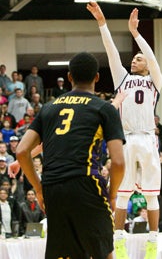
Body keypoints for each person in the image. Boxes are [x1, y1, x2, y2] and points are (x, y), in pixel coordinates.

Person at [16, 52, 125, 259]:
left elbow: (22, 151)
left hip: (53, 188)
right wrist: (111, 194)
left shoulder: (48, 109)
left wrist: (39, 189)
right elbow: (118, 162)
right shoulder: (103, 108)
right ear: (97, 77)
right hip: (86, 184)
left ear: (69, 77)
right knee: (103, 253)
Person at [87, 1, 162, 259]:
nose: (135, 59)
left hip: (148, 138)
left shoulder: (155, 81)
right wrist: (102, 24)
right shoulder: (122, 78)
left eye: (138, 58)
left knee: (152, 195)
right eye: (134, 57)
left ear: (147, 65)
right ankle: (119, 241)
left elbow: (151, 57)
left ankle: (153, 242)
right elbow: (111, 52)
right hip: (127, 139)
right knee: (122, 194)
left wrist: (136, 34)